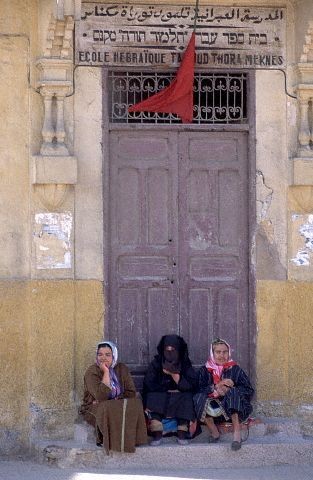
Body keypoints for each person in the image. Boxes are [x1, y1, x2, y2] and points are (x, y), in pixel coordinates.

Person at [79, 340, 147, 453]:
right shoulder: (92, 372)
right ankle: (108, 441)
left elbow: (131, 392)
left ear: (114, 356)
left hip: (116, 403)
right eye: (100, 354)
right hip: (92, 408)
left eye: (107, 355)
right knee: (106, 407)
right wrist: (106, 372)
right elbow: (101, 396)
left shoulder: (122, 369)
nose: (103, 358)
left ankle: (134, 440)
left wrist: (117, 399)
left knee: (136, 403)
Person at [194, 338, 254, 451]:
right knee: (198, 397)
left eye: (225, 352)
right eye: (218, 352)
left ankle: (237, 434)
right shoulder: (205, 370)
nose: (222, 355)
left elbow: (249, 390)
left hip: (234, 410)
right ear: (213, 353)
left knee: (233, 391)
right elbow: (199, 389)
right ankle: (214, 431)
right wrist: (215, 388)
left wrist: (229, 390)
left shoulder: (235, 369)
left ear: (229, 352)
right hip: (213, 413)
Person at [142, 334, 198, 446]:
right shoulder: (157, 363)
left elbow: (192, 385)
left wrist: (175, 376)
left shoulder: (185, 364)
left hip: (180, 397)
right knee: (152, 396)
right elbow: (149, 383)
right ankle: (157, 434)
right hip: (161, 396)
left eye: (173, 350)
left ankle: (182, 433)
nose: (170, 353)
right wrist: (165, 389)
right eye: (167, 350)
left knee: (187, 397)